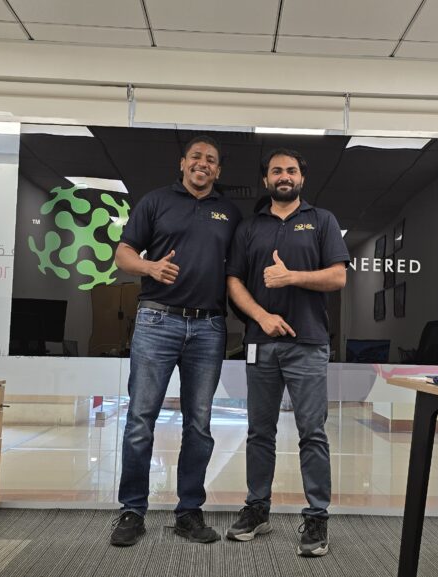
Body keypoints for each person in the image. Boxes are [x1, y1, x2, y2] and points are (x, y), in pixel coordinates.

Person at [109, 135, 242, 547]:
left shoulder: (229, 213)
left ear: (218, 170)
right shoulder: (155, 202)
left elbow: (239, 268)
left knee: (199, 424)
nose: (203, 163)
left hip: (208, 327)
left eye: (211, 160)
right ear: (182, 163)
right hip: (157, 321)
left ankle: (189, 512)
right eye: (196, 157)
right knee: (140, 419)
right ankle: (132, 510)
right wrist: (149, 267)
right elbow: (123, 253)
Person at [224, 148, 349, 557]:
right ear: (265, 180)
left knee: (312, 432)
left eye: (291, 170)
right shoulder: (248, 228)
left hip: (308, 344)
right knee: (259, 432)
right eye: (276, 170)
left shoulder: (322, 220)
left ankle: (316, 518)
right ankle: (257, 509)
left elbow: (338, 277)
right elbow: (233, 281)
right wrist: (261, 316)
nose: (284, 176)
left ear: (301, 178)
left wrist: (290, 276)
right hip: (261, 344)